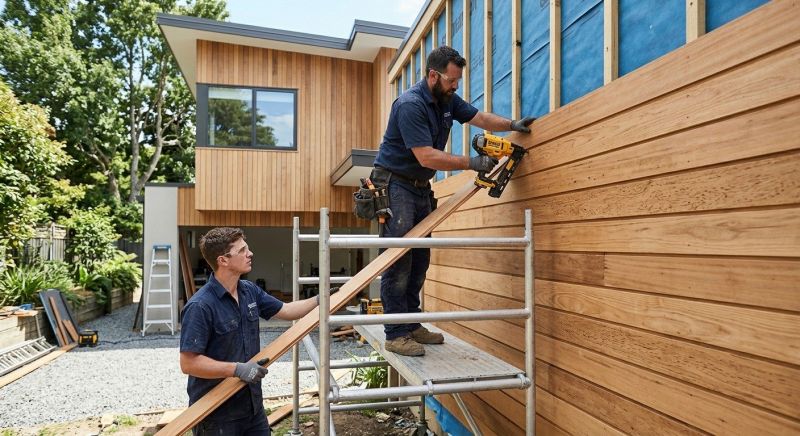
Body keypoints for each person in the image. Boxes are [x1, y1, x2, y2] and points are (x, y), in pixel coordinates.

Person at [372, 45, 534, 357]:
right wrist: (471, 163)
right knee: (399, 259)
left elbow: (481, 117)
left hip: (419, 186)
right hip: (395, 184)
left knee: (420, 258)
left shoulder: (446, 100)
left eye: (457, 80)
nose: (455, 85)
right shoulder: (410, 105)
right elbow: (426, 155)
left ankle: (411, 324)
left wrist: (512, 126)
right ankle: (395, 333)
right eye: (450, 80)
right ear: (433, 76)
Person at [179, 227, 320, 435]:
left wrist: (320, 299)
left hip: (252, 408)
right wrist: (236, 369)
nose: (250, 253)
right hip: (217, 414)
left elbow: (287, 310)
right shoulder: (200, 306)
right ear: (223, 260)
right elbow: (189, 363)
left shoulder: (249, 291)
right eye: (242, 250)